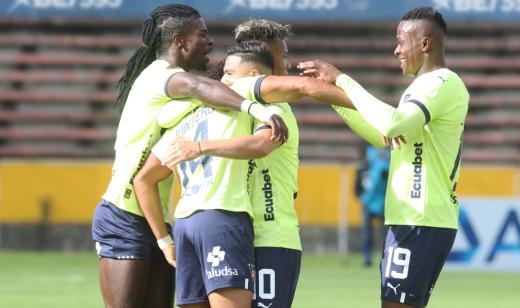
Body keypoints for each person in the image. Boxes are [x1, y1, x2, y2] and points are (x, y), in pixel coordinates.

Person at [136, 39, 359, 308]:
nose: (222, 77)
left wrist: (163, 239)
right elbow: (262, 144)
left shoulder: (189, 112)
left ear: (254, 76)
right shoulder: (258, 108)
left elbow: (143, 178)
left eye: (229, 72)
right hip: (222, 217)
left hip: (185, 223)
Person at [90, 4, 287, 308]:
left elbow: (207, 93)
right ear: (180, 41)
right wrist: (254, 108)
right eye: (202, 34)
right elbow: (199, 86)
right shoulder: (162, 76)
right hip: (123, 214)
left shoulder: (176, 94)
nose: (210, 41)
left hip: (156, 218)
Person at [298, 7, 469, 308]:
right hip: (413, 217)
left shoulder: (441, 82)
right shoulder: (423, 88)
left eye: (402, 42)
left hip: (420, 217)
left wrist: (342, 80)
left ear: (425, 44)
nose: (396, 50)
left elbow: (391, 124)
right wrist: (332, 98)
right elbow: (384, 136)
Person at [355, 145, 390, 266]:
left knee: (385, 235)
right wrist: (360, 198)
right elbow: (357, 187)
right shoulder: (363, 169)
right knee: (367, 234)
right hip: (368, 204)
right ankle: (367, 258)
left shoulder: (386, 168)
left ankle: (386, 257)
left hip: (382, 204)